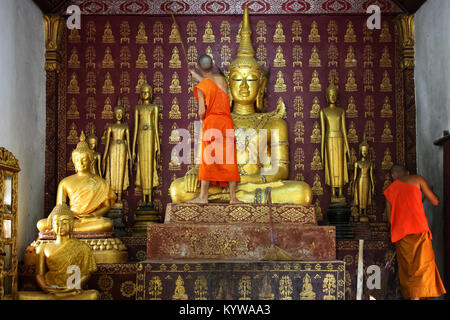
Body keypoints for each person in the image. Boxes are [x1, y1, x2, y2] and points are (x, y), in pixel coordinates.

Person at [384, 164, 446, 300]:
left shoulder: (390, 190)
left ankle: (414, 298)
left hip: (402, 235)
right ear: (407, 173)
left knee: (408, 269)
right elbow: (435, 201)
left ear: (394, 176)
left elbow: (390, 219)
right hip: (419, 231)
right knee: (424, 266)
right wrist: (432, 192)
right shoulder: (417, 179)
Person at [188, 54, 241, 204]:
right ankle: (233, 197)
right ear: (212, 65)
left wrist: (197, 78)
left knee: (208, 158)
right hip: (226, 121)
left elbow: (201, 112)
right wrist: (197, 77)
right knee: (229, 158)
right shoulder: (222, 80)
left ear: (199, 67)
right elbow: (213, 85)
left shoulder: (201, 87)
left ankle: (203, 197)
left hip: (211, 122)